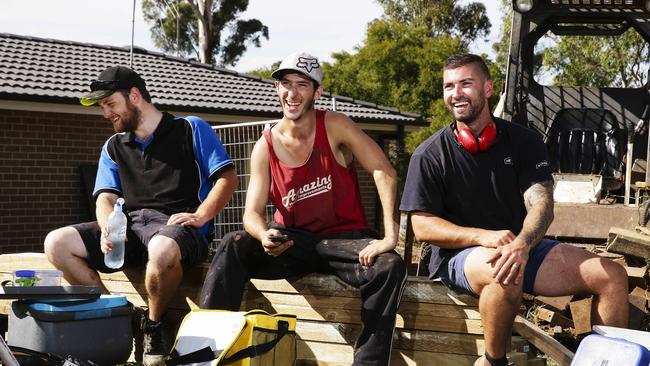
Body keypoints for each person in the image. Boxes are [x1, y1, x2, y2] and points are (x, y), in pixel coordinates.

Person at [400, 54, 629, 366]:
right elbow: (422, 227)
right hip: (460, 256)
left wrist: (522, 243)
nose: (456, 93)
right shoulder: (429, 154)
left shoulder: (523, 141)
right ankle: (494, 361)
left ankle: (610, 361)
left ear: (488, 88)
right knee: (503, 272)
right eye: (449, 86)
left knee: (612, 276)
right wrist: (484, 237)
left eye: (466, 83)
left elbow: (542, 204)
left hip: (522, 247)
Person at [199, 51, 407, 366]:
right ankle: (204, 351)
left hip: (345, 241)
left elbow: (384, 170)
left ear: (317, 92)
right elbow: (251, 214)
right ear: (276, 89)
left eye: (302, 85)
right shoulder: (265, 144)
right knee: (234, 244)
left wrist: (390, 236)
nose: (292, 93)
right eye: (285, 84)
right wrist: (264, 234)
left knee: (389, 265)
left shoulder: (335, 125)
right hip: (292, 242)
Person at [43, 66, 238, 366]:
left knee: (161, 248)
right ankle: (119, 313)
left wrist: (201, 215)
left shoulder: (191, 128)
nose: (106, 113)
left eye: (110, 104)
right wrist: (109, 224)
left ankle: (153, 325)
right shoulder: (112, 147)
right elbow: (105, 197)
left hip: (177, 228)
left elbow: (227, 178)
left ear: (134, 96)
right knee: (56, 243)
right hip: (132, 226)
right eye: (103, 107)